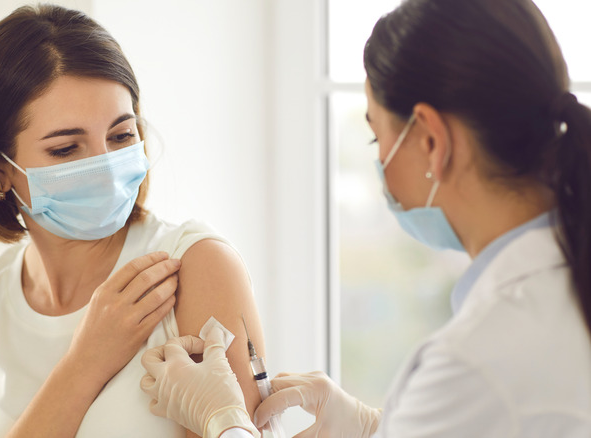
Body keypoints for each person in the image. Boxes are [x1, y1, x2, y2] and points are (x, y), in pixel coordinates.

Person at [139, 0, 591, 436]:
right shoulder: (555, 291)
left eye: (377, 140)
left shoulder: (478, 361)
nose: (380, 169)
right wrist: (376, 427)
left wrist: (224, 421)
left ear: (432, 141)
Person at [0, 5, 265, 438]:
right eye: (67, 149)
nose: (107, 167)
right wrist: (84, 364)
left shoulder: (194, 266)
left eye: (121, 136)